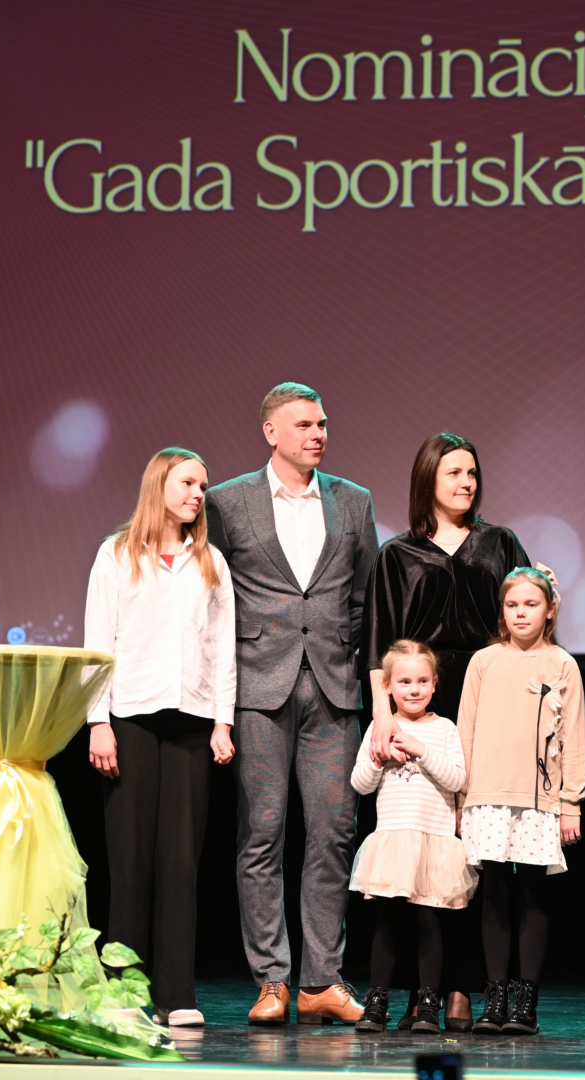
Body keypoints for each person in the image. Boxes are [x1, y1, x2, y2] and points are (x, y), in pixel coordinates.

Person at [205, 382, 379, 1026]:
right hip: (258, 688)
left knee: (334, 832)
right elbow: (211, 598)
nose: (318, 434)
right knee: (262, 832)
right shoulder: (227, 502)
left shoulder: (354, 501)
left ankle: (321, 980)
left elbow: (364, 599)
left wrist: (349, 658)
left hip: (334, 688)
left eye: (323, 423)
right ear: (271, 432)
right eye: (304, 424)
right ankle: (272, 981)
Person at [361, 431, 536, 1029]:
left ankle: (461, 985)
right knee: (423, 848)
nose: (466, 482)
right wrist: (383, 714)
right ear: (428, 480)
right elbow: (378, 643)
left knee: (473, 846)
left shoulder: (500, 542)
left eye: (472, 473)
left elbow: (527, 613)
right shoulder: (397, 555)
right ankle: (422, 991)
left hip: (488, 698)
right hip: (419, 701)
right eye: (453, 472)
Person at [84, 447, 237, 1027]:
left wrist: (223, 720)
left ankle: (176, 994)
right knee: (129, 862)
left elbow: (222, 647)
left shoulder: (210, 561)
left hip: (192, 721)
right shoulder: (117, 554)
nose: (198, 494)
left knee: (180, 861)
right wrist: (98, 720)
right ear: (159, 486)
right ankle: (123, 997)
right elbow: (98, 642)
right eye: (188, 483)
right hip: (129, 716)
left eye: (203, 485)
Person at [456, 568, 585, 1035]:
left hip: (539, 798)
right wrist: (460, 798)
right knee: (492, 893)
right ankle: (495, 999)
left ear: (549, 610)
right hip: (486, 795)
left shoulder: (562, 664)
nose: (521, 613)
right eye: (512, 605)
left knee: (531, 894)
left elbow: (574, 736)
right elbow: (465, 732)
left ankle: (525, 1003)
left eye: (531, 605)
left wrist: (571, 802)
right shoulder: (484, 661)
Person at [348, 640, 476, 1033]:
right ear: (387, 686)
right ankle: (377, 1001)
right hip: (393, 841)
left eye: (422, 681)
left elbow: (458, 780)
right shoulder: (381, 728)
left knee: (428, 922)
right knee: (387, 923)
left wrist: (421, 749)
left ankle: (427, 1004)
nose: (414, 689)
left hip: (433, 843)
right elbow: (360, 784)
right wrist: (379, 757)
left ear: (435, 684)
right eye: (404, 682)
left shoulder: (444, 729)